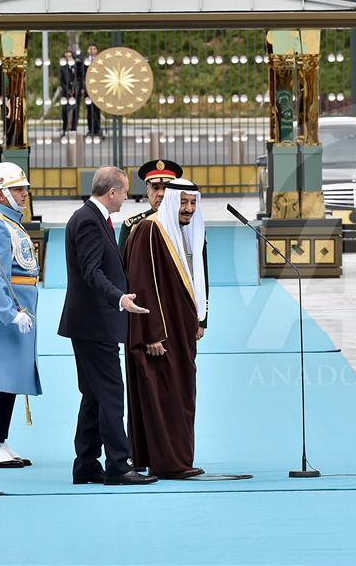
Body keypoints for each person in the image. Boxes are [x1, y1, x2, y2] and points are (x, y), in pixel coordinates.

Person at [58, 166, 157, 486]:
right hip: (95, 323)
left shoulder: (91, 217)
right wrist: (119, 298)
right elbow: (91, 270)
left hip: (90, 323)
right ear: (112, 192)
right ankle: (117, 464)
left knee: (93, 395)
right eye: (125, 191)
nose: (127, 197)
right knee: (112, 394)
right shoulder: (89, 220)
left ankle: (86, 463)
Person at [124, 178, 208, 480]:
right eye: (183, 202)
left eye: (193, 203)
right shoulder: (150, 229)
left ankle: (173, 459)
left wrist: (199, 318)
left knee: (179, 394)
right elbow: (141, 283)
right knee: (166, 395)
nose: (189, 209)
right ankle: (170, 463)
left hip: (180, 329)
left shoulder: (185, 232)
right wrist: (151, 332)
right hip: (161, 334)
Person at [0, 162, 40, 468]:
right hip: (9, 315)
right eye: (18, 189)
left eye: (24, 188)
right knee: (3, 379)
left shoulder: (11, 222)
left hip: (19, 311)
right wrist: (10, 313)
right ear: (1, 194)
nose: (24, 193)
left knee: (11, 378)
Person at [118, 159, 183, 253]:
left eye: (166, 188)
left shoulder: (186, 225)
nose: (161, 194)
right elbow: (122, 261)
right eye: (155, 188)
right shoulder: (132, 226)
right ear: (147, 191)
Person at [82, 44, 103, 138]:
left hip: (98, 89)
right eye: (90, 48)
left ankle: (98, 129)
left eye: (94, 48)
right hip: (88, 88)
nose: (92, 50)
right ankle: (90, 129)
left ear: (96, 50)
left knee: (97, 109)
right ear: (87, 50)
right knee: (89, 110)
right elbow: (82, 75)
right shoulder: (85, 61)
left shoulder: (100, 61)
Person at [59, 49, 81, 135]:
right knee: (65, 110)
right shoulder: (62, 68)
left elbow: (79, 78)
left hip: (76, 92)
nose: (68, 58)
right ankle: (65, 129)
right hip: (66, 92)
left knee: (75, 110)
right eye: (66, 57)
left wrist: (74, 89)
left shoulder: (77, 67)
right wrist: (68, 90)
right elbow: (61, 81)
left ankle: (73, 129)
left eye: (70, 56)